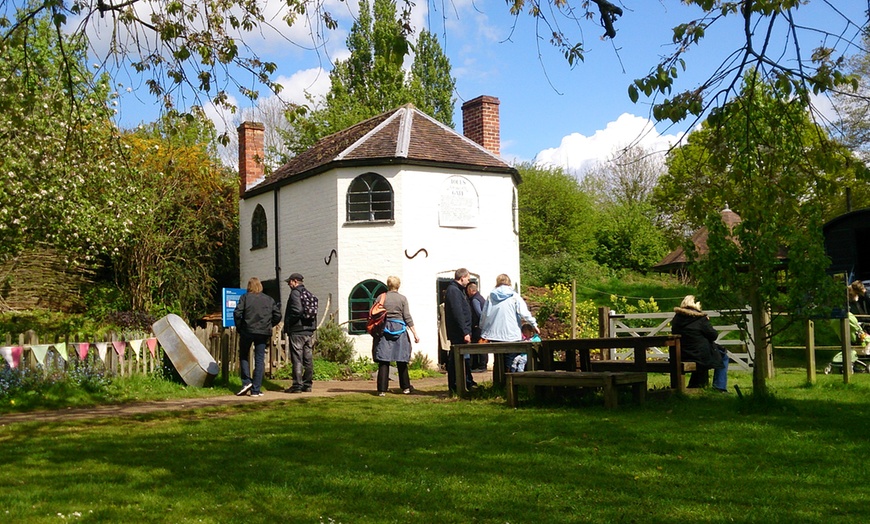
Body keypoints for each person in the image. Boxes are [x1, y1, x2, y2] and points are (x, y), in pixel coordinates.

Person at [479, 274, 539, 373]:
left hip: (495, 334)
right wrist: (534, 324)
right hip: (512, 334)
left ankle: (499, 384)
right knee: (510, 360)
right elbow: (524, 312)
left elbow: (484, 314)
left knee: (498, 360)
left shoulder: (491, 296)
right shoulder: (514, 296)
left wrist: (482, 328)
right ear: (509, 282)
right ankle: (511, 384)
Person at [371, 276, 420, 396]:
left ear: (388, 285)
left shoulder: (381, 297)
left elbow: (375, 314)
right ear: (399, 285)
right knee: (401, 359)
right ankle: (406, 387)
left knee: (384, 360)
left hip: (384, 329)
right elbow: (407, 316)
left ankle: (382, 390)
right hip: (400, 330)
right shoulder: (402, 299)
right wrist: (415, 333)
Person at [234, 277, 281, 396]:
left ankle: (246, 381)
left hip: (247, 330)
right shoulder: (268, 299)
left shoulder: (245, 298)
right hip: (263, 331)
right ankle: (256, 389)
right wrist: (270, 325)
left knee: (244, 355)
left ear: (249, 286)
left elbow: (237, 313)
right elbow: (278, 315)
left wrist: (240, 327)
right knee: (260, 359)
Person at [670, 295, 728, 392]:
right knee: (723, 356)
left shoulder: (677, 319)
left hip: (682, 354)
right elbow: (713, 335)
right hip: (699, 355)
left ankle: (696, 384)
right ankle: (719, 386)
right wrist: (707, 321)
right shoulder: (700, 319)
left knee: (705, 353)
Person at [444, 268, 475, 393]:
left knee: (461, 360)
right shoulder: (454, 291)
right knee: (457, 360)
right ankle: (457, 385)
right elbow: (458, 313)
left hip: (460, 332)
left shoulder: (457, 290)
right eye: (467, 278)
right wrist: (465, 332)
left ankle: (466, 382)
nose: (468, 281)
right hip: (459, 334)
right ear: (462, 277)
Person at [283, 272, 316, 393]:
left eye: (289, 282)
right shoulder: (307, 293)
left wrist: (290, 323)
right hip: (308, 331)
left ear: (295, 281)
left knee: (297, 359)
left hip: (298, 331)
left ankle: (297, 385)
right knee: (308, 359)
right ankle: (307, 385)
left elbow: (297, 311)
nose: (288, 284)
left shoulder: (295, 293)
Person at [466, 281, 488, 372]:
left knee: (478, 346)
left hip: (478, 327)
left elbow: (479, 314)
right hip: (483, 327)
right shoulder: (481, 298)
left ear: (471, 290)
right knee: (482, 345)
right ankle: (481, 365)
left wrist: (478, 324)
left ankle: (481, 366)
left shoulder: (475, 300)